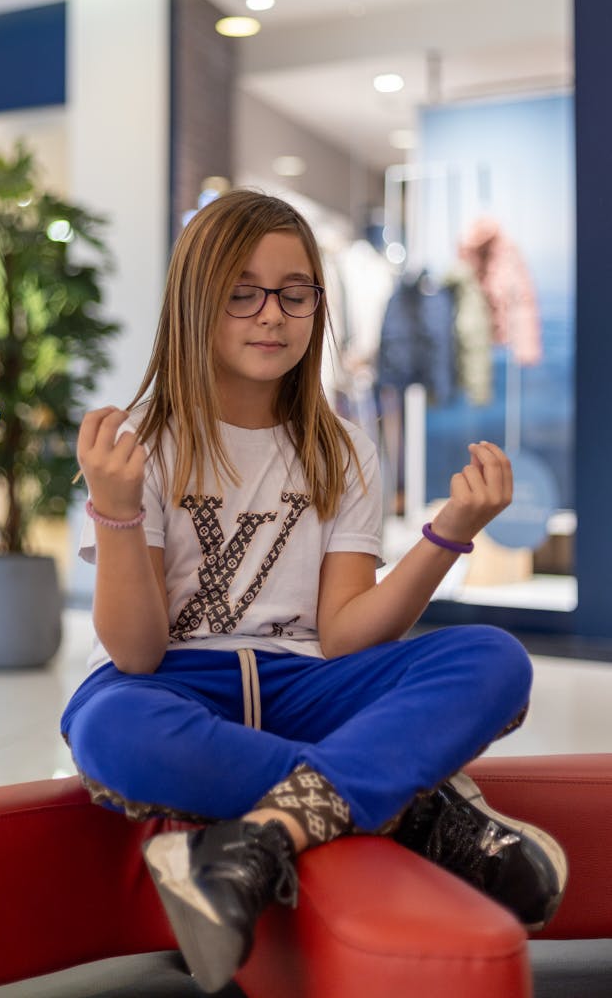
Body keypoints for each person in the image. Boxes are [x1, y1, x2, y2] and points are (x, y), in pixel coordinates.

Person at [61, 189, 566, 994]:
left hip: (310, 683)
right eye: (242, 293)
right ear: (196, 303)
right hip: (175, 685)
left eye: (295, 293)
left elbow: (344, 638)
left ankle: (256, 839)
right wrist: (116, 513)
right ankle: (423, 813)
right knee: (111, 725)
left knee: (492, 658)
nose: (272, 315)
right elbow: (135, 649)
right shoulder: (138, 445)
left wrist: (450, 533)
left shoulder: (342, 449)